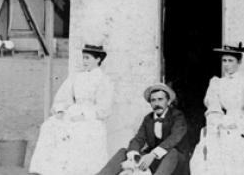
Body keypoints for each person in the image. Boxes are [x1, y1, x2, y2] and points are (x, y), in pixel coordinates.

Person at [29, 44, 114, 175]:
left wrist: (84, 116)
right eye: (83, 58)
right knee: (49, 126)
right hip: (73, 112)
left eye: (88, 58)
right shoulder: (76, 77)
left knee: (80, 131)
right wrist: (60, 110)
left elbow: (104, 108)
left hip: (91, 117)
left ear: (98, 60)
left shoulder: (104, 80)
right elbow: (64, 97)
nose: (84, 61)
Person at [190, 42, 244, 175]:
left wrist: (238, 123)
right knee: (204, 158)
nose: (226, 64)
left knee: (239, 154)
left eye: (231, 60)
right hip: (222, 125)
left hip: (243, 127)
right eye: (224, 60)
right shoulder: (216, 83)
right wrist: (220, 122)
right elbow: (213, 110)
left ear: (239, 62)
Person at [96, 83, 189, 175]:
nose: (157, 104)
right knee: (123, 152)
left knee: (173, 152)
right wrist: (134, 155)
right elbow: (138, 139)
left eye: (160, 99)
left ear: (168, 101)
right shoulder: (148, 119)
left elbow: (174, 138)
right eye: (153, 100)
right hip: (154, 162)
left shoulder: (177, 116)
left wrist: (153, 154)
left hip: (174, 161)